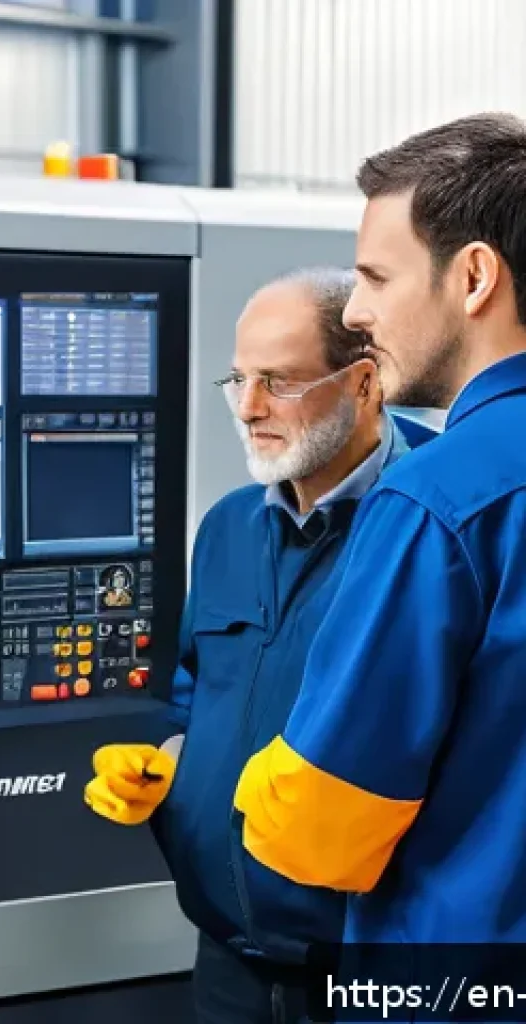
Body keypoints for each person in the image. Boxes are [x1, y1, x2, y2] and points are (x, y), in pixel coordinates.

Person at [84, 268, 431, 1023]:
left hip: (369, 973)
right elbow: (195, 690)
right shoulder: (229, 527)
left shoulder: (423, 528)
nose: (248, 409)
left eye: (278, 381)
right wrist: (166, 760)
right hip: (227, 965)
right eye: (238, 379)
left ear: (364, 383)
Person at [230, 112, 526, 998]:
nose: (357, 312)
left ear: (473, 276)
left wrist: (246, 773)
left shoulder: (441, 501)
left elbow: (316, 833)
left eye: (375, 276)